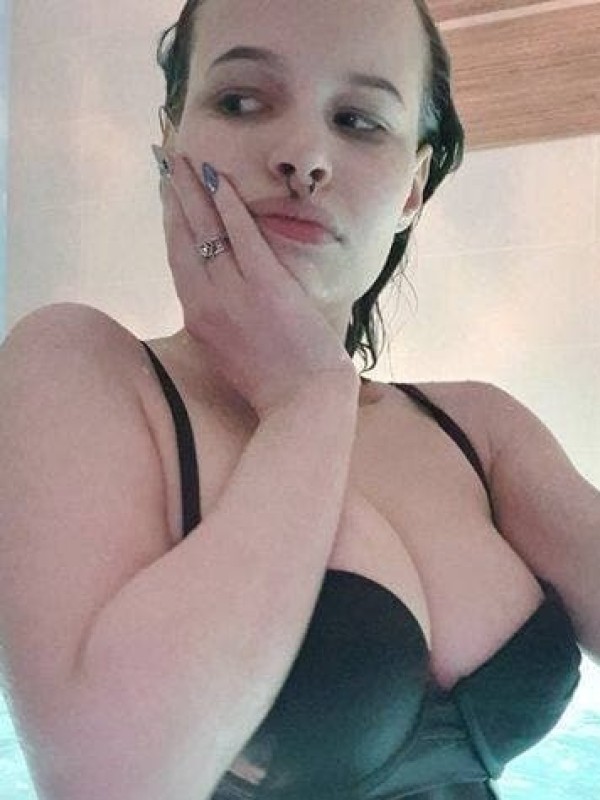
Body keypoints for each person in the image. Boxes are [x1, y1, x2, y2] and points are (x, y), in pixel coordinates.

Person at [0, 0, 597, 798]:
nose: (304, 157)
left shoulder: (480, 428)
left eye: (358, 121)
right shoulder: (78, 365)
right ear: (173, 142)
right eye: (242, 101)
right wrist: (306, 401)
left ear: (414, 187)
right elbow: (110, 781)